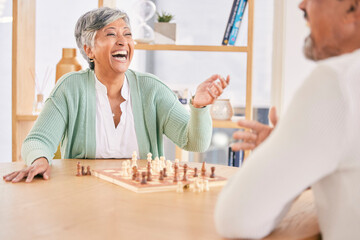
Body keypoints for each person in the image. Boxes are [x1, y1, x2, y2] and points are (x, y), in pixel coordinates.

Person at [3, 7, 229, 183]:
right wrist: (40, 159)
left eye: (127, 34)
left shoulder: (152, 89)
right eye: (111, 34)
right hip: (82, 195)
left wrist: (199, 107)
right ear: (89, 50)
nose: (123, 41)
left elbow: (194, 142)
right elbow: (37, 140)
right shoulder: (70, 88)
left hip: (141, 195)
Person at [215, 0, 360, 239]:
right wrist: (298, 152)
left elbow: (235, 219)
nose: (301, 5)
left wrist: (278, 151)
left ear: (352, 8)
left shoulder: (338, 81)